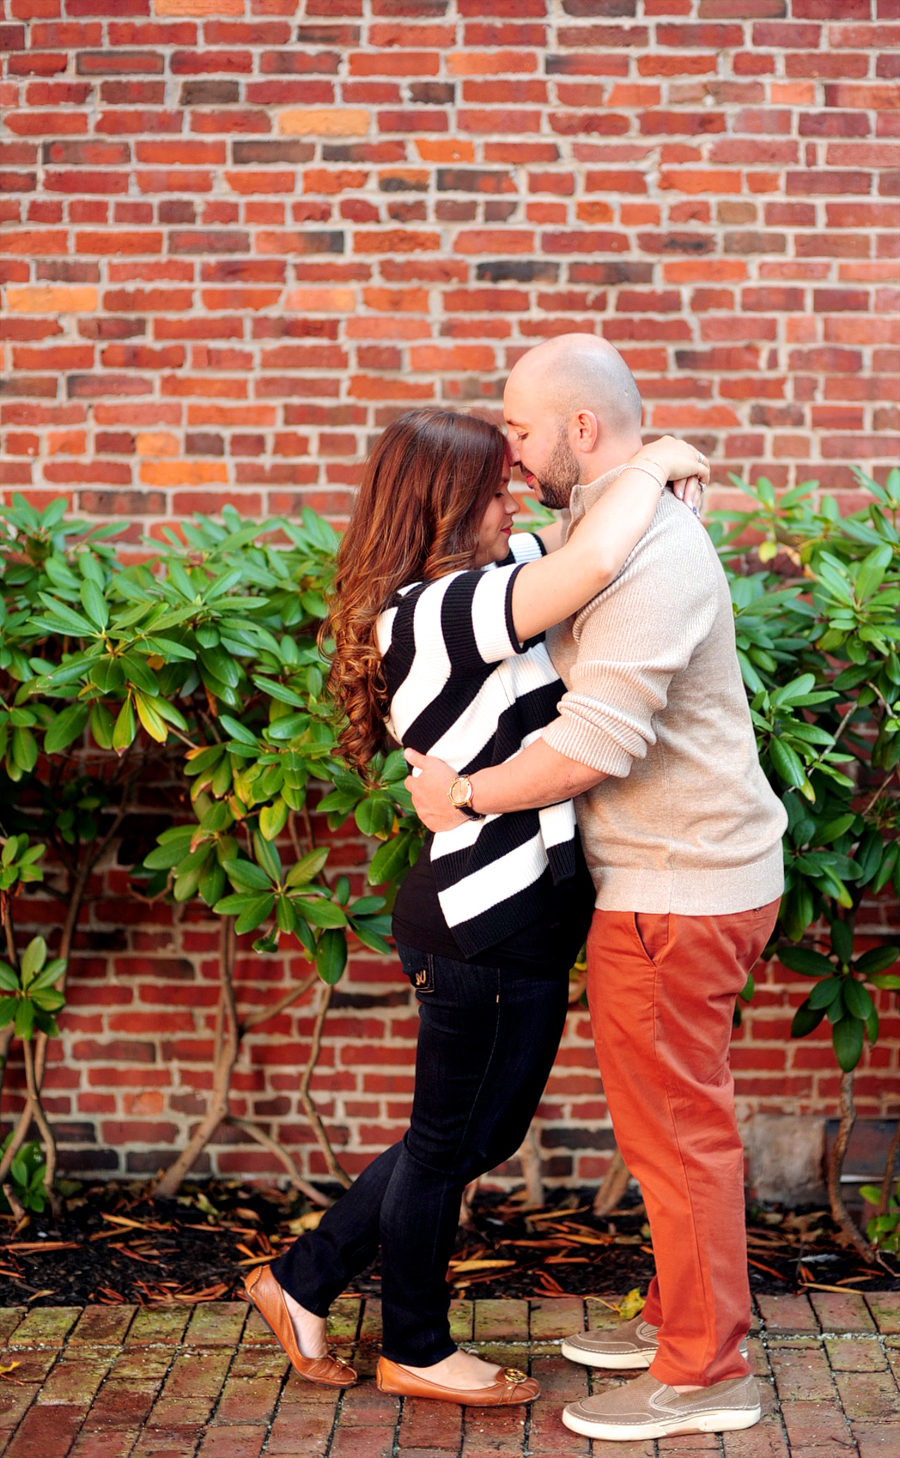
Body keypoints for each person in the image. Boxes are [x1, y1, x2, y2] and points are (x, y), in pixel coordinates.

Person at [243, 405, 707, 1408]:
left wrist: (635, 468)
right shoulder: (440, 609)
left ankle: (301, 1281)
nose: (519, 491)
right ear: (450, 503)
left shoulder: (481, 584)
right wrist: (662, 460)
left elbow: (585, 539)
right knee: (449, 1141)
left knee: (469, 1138)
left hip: (511, 918)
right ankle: (413, 1343)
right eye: (499, 481)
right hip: (480, 919)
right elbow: (588, 569)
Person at [406, 335, 788, 1441]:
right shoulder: (601, 515)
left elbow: (596, 742)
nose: (506, 451)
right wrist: (667, 452)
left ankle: (705, 1373)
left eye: (519, 430)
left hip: (680, 889)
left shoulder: (650, 547)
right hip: (675, 879)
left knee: (679, 1140)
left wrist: (466, 796)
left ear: (579, 430)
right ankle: (682, 1315)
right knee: (673, 1128)